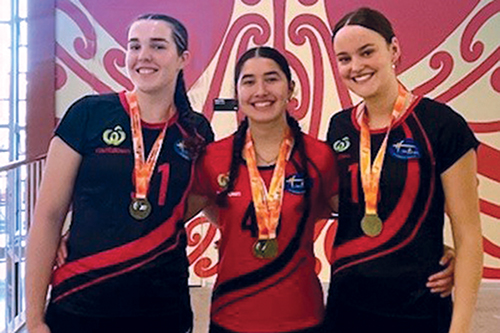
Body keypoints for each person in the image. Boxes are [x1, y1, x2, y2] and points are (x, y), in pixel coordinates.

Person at [25, 14, 213, 333]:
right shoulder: (89, 114)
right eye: (134, 46)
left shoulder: (195, 130)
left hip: (163, 308)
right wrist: (34, 318)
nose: (144, 56)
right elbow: (48, 215)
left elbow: (194, 199)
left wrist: (138, 226)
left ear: (183, 59)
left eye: (158, 46)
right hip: (80, 304)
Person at [324, 7, 483, 333]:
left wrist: (461, 327)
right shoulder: (339, 127)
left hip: (417, 311)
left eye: (367, 52)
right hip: (346, 309)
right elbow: (335, 204)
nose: (356, 66)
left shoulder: (441, 125)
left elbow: (468, 235)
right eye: (344, 58)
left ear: (393, 50)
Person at [189, 46, 339, 332]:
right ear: (237, 93)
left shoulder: (319, 156)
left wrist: (436, 245)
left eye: (272, 79)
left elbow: (358, 219)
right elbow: (168, 218)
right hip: (231, 316)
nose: (261, 90)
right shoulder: (214, 158)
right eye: (249, 81)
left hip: (303, 316)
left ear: (290, 88)